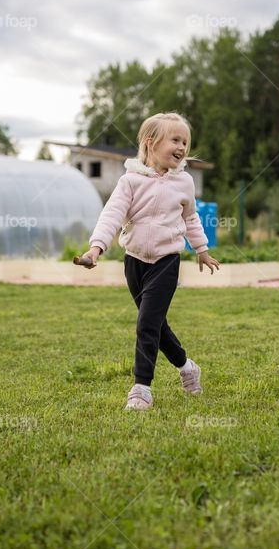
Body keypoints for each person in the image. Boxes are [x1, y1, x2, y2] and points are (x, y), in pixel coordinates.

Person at [79, 112, 220, 410]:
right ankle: (187, 367)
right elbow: (112, 215)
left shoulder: (184, 183)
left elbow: (191, 217)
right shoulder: (129, 181)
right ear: (151, 143)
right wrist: (96, 248)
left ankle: (141, 388)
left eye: (185, 141)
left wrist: (202, 249)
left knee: (146, 324)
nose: (182, 147)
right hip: (134, 262)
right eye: (175, 140)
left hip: (166, 262)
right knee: (155, 325)